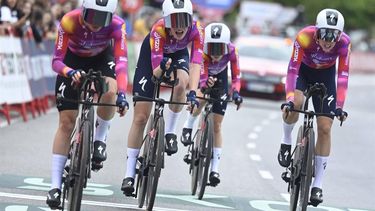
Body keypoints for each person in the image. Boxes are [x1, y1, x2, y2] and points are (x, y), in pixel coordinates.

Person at [46, 0, 129, 209]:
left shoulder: (118, 25)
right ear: (83, 11)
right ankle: (55, 186)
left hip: (102, 59)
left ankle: (99, 140)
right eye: (92, 17)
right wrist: (70, 72)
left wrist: (122, 93)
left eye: (103, 19)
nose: (96, 24)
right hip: (71, 62)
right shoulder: (69, 21)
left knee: (109, 91)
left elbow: (121, 61)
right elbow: (56, 61)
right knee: (66, 123)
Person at [121, 0, 202, 196]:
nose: (180, 26)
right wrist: (163, 69)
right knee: (140, 117)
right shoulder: (158, 30)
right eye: (174, 20)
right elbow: (156, 73)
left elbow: (196, 63)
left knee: (182, 82)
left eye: (184, 20)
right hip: (153, 60)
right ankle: (129, 172)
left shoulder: (197, 30)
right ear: (166, 20)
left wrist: (193, 92)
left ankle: (170, 132)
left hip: (178, 55)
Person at [277, 8, 350, 206]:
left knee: (325, 128)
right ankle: (286, 140)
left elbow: (343, 75)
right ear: (316, 32)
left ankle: (317, 185)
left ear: (340, 35)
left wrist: (339, 106)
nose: (328, 40)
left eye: (333, 35)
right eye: (324, 34)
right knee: (297, 105)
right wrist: (290, 98)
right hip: (303, 72)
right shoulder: (304, 37)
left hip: (325, 77)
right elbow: (292, 69)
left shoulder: (344, 43)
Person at [180, 22, 243, 186]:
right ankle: (188, 125)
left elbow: (236, 76)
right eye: (211, 49)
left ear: (227, 46)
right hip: (204, 75)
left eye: (219, 49)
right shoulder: (202, 52)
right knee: (200, 97)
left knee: (217, 126)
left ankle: (214, 169)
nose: (215, 54)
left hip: (221, 79)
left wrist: (236, 92)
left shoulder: (232, 51)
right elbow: (200, 74)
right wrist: (204, 83)